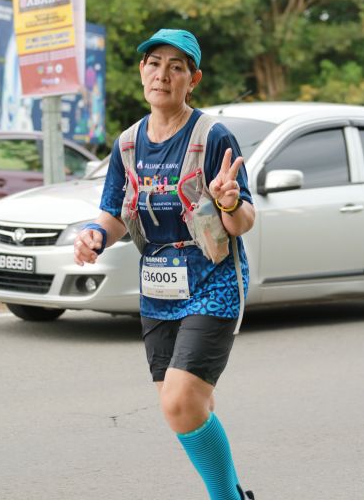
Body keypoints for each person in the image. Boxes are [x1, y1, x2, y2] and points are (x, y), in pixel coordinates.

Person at [73, 29, 256, 500]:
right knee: (188, 405)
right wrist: (96, 235)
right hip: (157, 287)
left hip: (213, 282)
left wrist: (229, 201)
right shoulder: (128, 143)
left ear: (193, 80)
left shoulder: (212, 136)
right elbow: (114, 213)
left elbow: (244, 222)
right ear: (142, 71)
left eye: (177, 67)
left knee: (179, 401)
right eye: (154, 63)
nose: (163, 74)